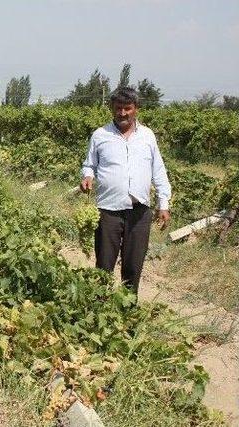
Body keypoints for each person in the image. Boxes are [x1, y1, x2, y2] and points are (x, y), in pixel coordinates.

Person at [80, 87, 171, 297]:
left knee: (133, 266)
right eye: (118, 108)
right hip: (108, 211)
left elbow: (158, 170)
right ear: (112, 108)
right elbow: (89, 165)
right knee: (104, 264)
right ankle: (99, 309)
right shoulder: (100, 135)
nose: (122, 113)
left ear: (136, 109)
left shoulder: (147, 136)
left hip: (139, 213)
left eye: (127, 109)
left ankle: (128, 313)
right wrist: (87, 177)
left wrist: (163, 204)